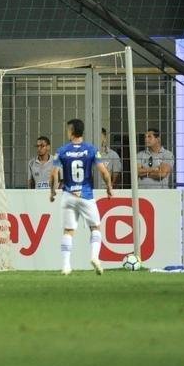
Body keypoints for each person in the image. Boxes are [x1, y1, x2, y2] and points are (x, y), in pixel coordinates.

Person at [50, 118, 113, 275]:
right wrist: (109, 187)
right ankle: (94, 257)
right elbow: (104, 172)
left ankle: (66, 266)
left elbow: (53, 174)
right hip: (86, 195)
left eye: (68, 129)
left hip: (68, 195)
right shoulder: (91, 149)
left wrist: (52, 191)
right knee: (95, 227)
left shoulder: (62, 151)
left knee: (68, 231)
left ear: (71, 131)